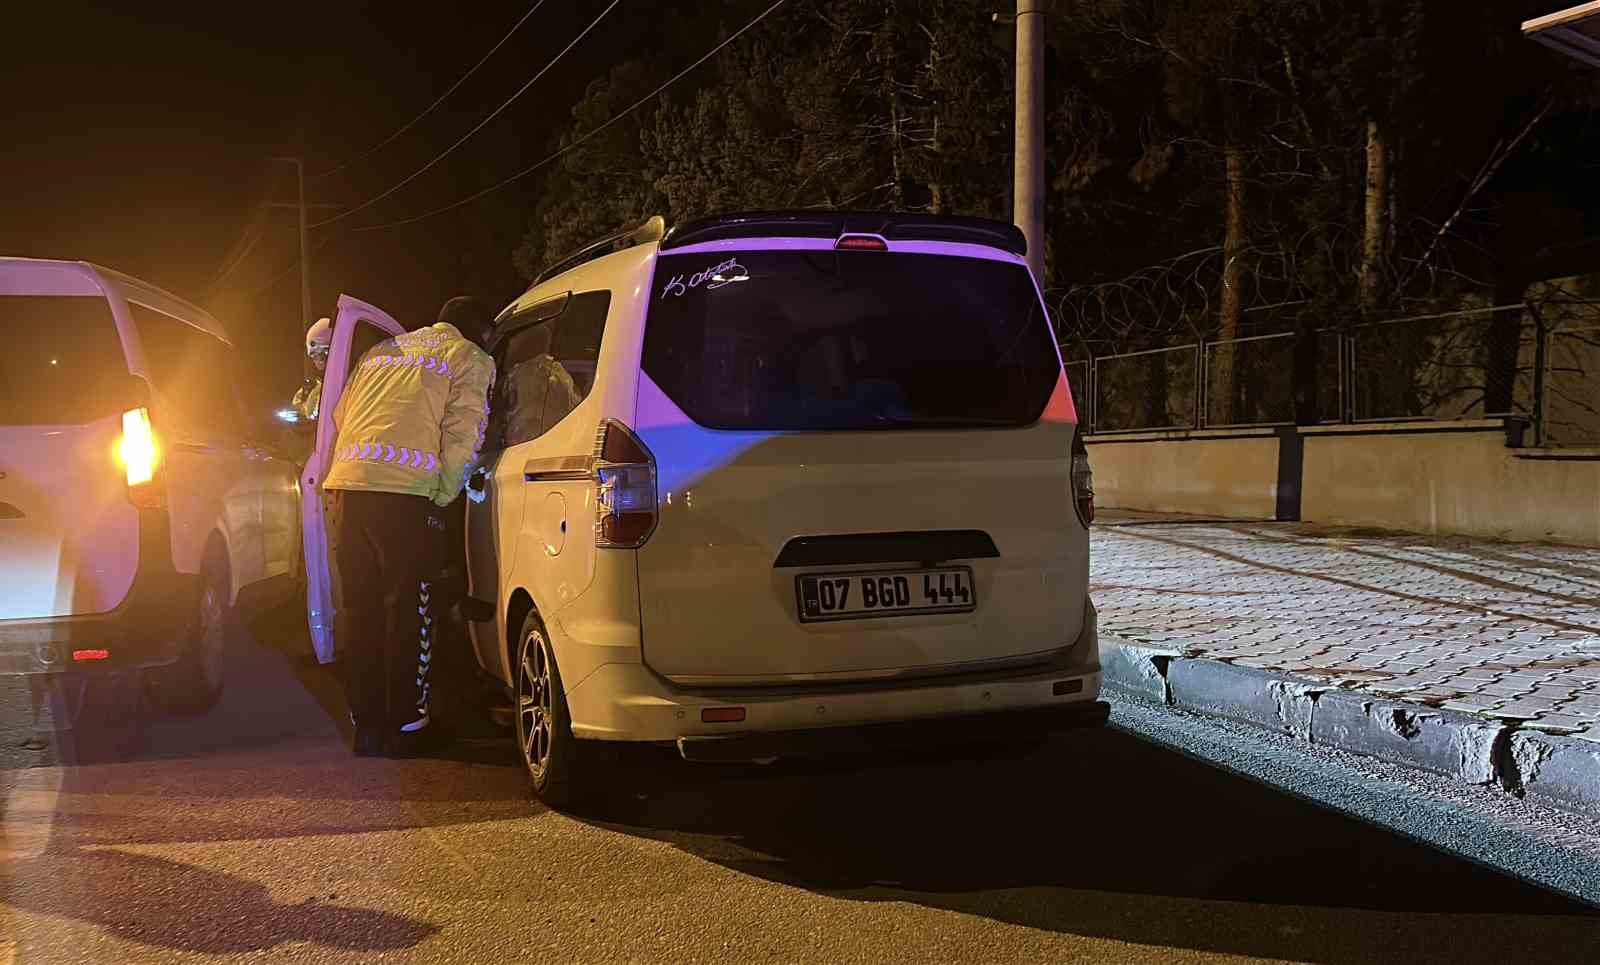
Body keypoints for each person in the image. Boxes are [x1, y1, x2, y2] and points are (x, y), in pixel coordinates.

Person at [323, 296, 495, 756]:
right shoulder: (468, 357)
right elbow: (466, 432)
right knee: (407, 610)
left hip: (349, 490)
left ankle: (367, 725)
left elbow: (341, 416)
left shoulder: (380, 353)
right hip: (405, 496)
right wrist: (444, 492)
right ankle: (407, 724)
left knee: (362, 611)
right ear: (476, 332)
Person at [291, 317, 333, 424]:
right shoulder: (320, 387)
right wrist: (302, 405)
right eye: (314, 356)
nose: (319, 361)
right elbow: (310, 413)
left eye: (323, 354)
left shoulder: (347, 379)